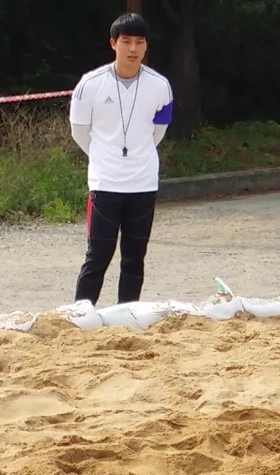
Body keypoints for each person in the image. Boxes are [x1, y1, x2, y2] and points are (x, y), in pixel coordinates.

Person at [70, 13, 173, 307]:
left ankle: (127, 315)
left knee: (134, 257)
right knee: (98, 255)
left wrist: (136, 156)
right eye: (126, 41)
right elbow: (80, 131)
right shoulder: (90, 85)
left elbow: (158, 131)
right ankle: (82, 314)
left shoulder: (161, 86)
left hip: (143, 183)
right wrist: (105, 157)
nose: (133, 48)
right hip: (105, 183)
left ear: (146, 46)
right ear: (113, 43)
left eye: (139, 42)